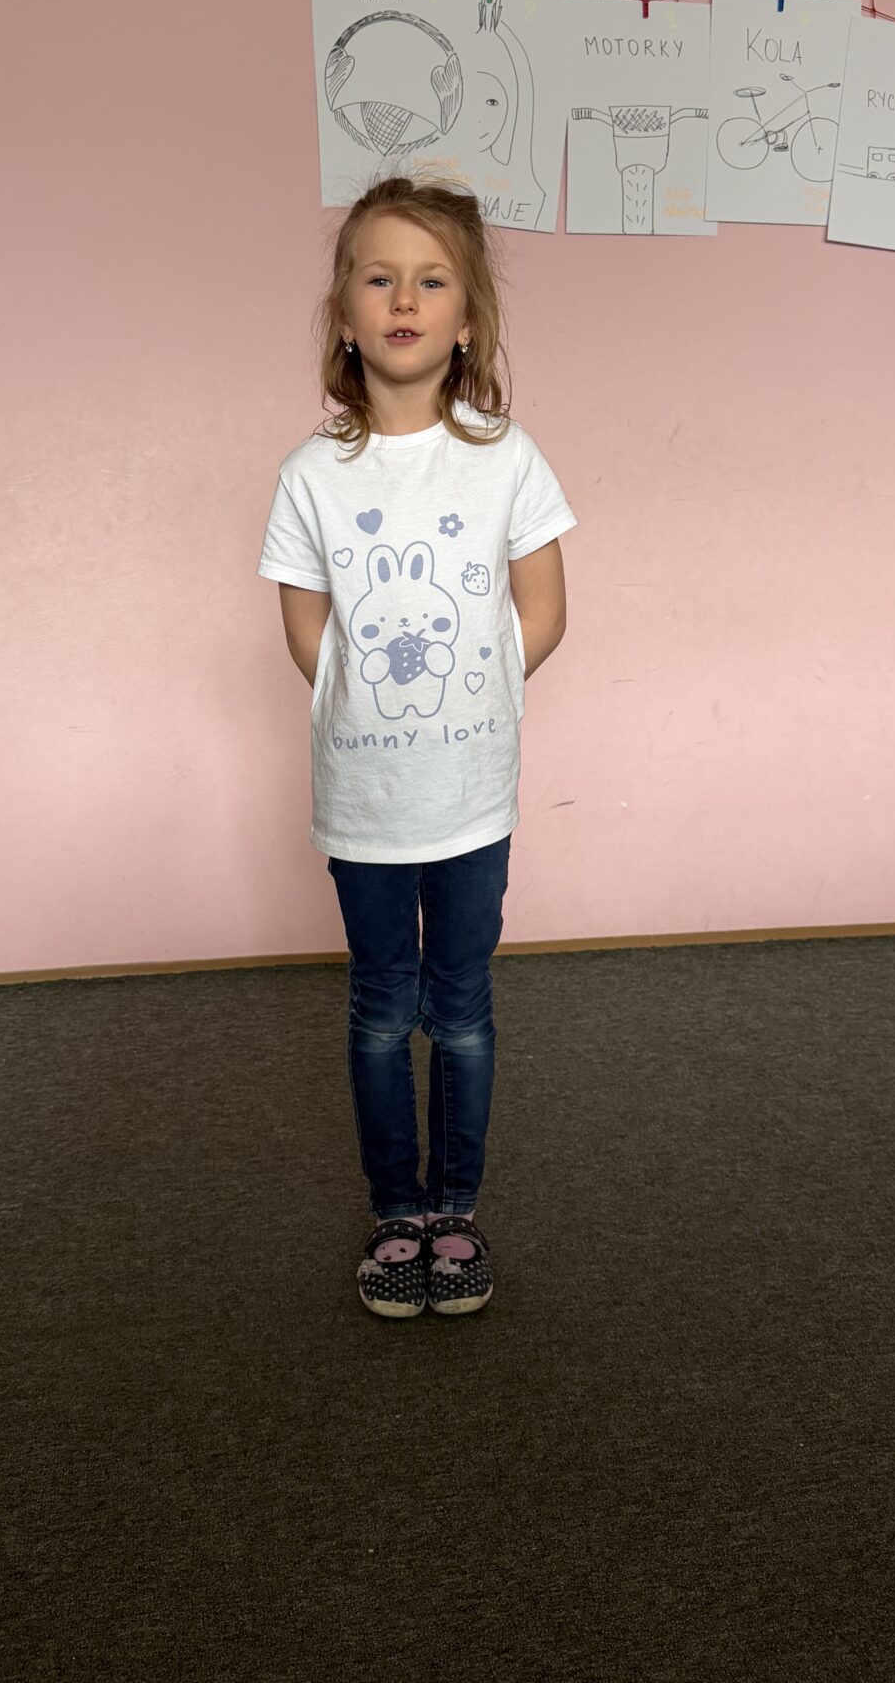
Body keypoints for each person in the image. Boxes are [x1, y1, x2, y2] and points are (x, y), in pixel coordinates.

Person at [257, 174, 576, 1319]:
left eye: (432, 280)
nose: (404, 299)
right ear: (344, 315)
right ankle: (398, 1213)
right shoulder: (312, 474)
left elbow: (544, 610)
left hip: (472, 797)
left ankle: (457, 1212)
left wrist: (468, 698)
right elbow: (307, 629)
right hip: (366, 803)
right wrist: (375, 710)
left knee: (463, 1009)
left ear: (468, 319)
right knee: (383, 1009)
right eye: (380, 277)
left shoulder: (505, 458)